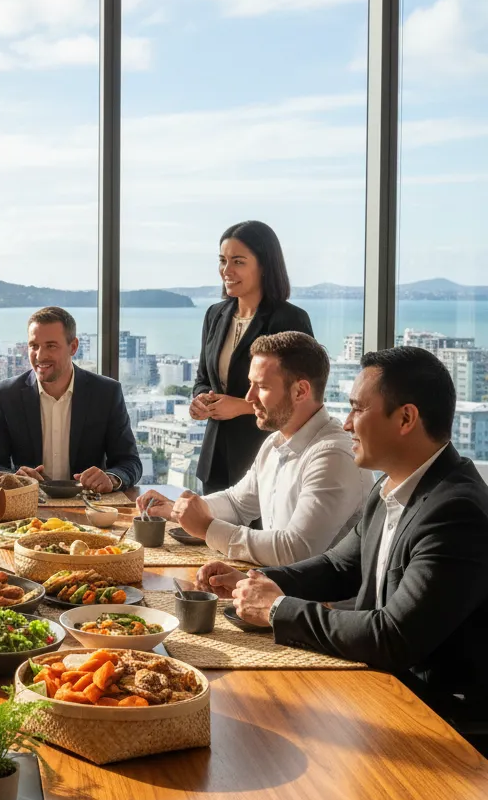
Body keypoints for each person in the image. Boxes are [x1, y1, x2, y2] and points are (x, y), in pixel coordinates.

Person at [197, 346, 488, 718]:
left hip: (435, 718)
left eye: (358, 409)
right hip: (381, 690)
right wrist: (252, 581)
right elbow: (339, 567)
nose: (347, 423)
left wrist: (277, 609)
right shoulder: (393, 488)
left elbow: (392, 637)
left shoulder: (455, 511)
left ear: (406, 418)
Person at [137, 331, 373, 566]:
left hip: (321, 603)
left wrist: (208, 528)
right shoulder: (275, 442)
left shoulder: (333, 456)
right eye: (251, 384)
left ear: (300, 391)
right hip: (279, 591)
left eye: (262, 387)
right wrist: (177, 509)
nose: (250, 398)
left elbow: (296, 551)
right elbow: (237, 503)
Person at [191, 221, 314, 494]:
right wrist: (201, 400)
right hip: (215, 460)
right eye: (223, 260)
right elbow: (203, 378)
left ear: (264, 265)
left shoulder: (289, 319)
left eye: (238, 261)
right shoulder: (215, 315)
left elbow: (304, 395)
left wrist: (241, 406)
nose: (227, 270)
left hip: (266, 455)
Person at [0, 306, 141, 492]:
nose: (40, 355)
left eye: (51, 346)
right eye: (34, 346)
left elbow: (130, 462)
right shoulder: (6, 394)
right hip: (27, 508)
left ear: (73, 347)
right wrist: (13, 478)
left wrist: (112, 478)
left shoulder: (106, 392)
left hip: (90, 508)